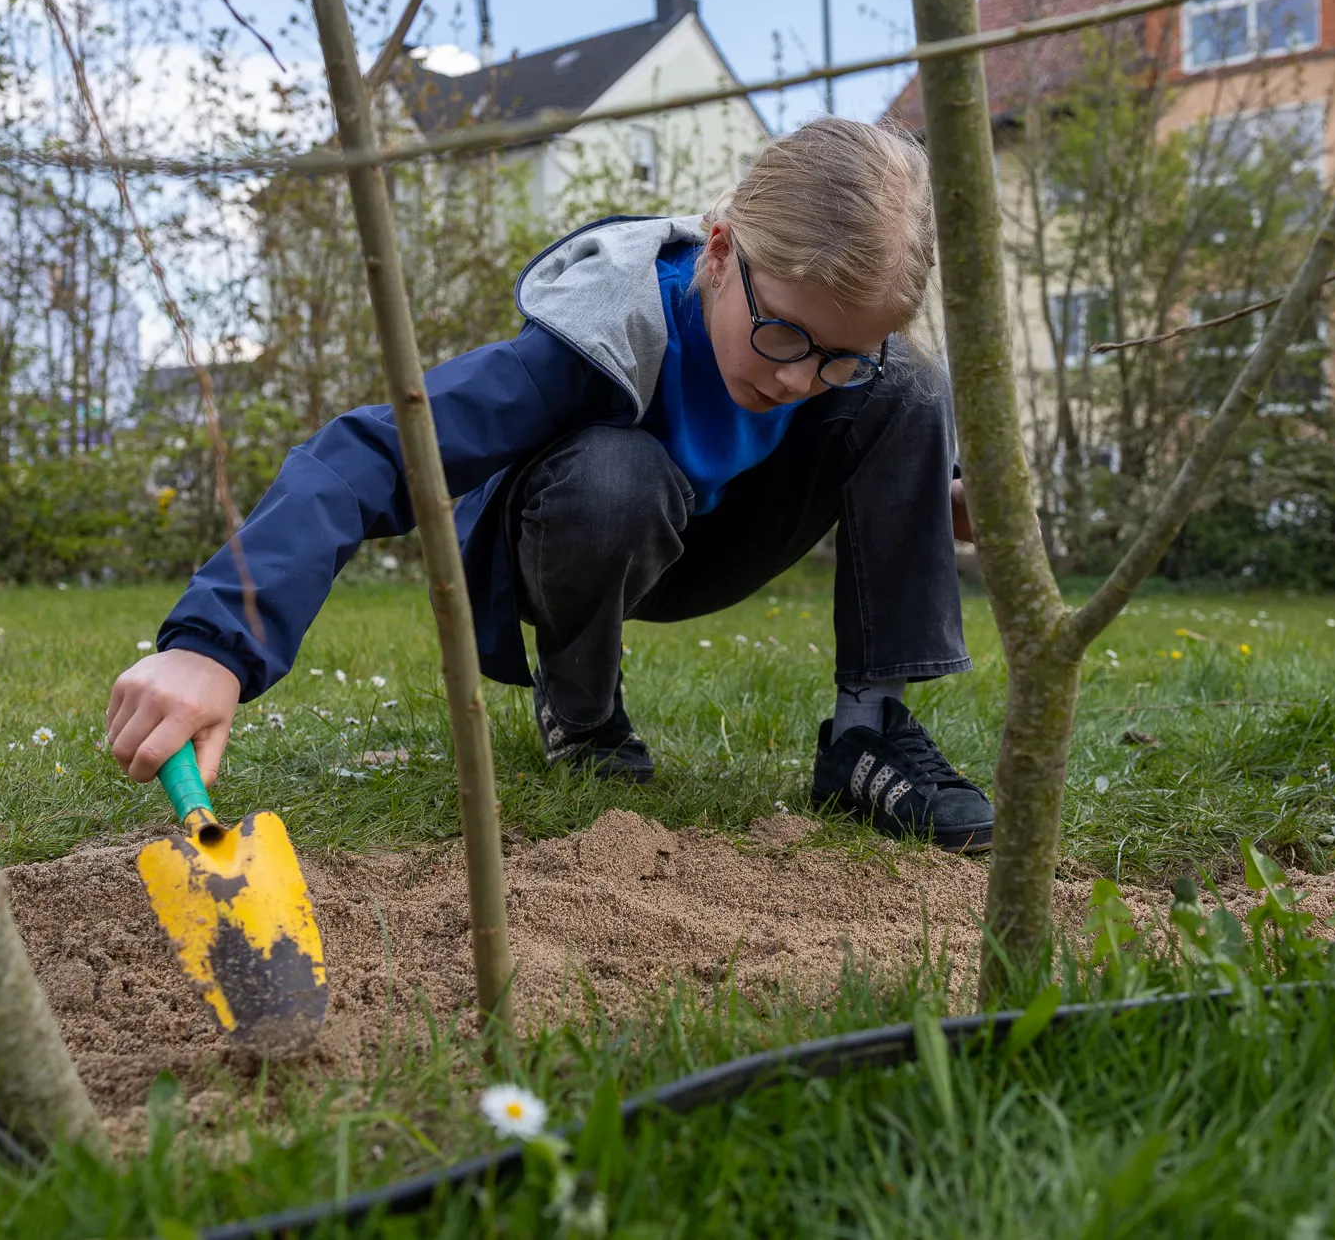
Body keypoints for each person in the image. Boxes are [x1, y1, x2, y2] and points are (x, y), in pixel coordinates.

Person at [105, 117, 994, 854]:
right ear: (720, 252)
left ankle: (865, 735)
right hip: (579, 537)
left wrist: (927, 491)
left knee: (910, 384)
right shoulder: (593, 334)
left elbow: (856, 391)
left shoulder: (836, 363)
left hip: (713, 547)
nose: (801, 378)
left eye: (839, 356)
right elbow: (364, 454)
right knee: (619, 475)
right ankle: (582, 711)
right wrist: (213, 646)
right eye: (787, 336)